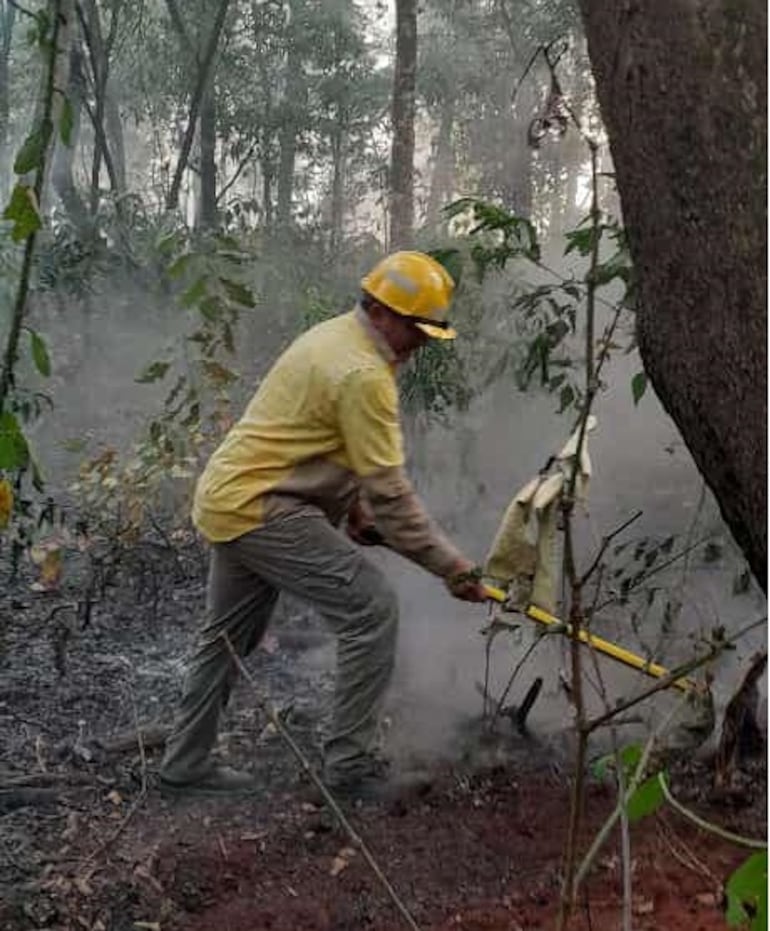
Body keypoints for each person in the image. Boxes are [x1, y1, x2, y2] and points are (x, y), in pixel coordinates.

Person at [159, 250, 488, 800]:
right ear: (382, 311)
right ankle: (350, 767)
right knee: (372, 609)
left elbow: (324, 440)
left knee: (225, 639)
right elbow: (391, 493)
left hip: (229, 498)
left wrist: (353, 512)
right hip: (265, 507)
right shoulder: (363, 373)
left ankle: (184, 764)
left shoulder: (337, 338)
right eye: (418, 328)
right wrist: (451, 568)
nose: (424, 341)